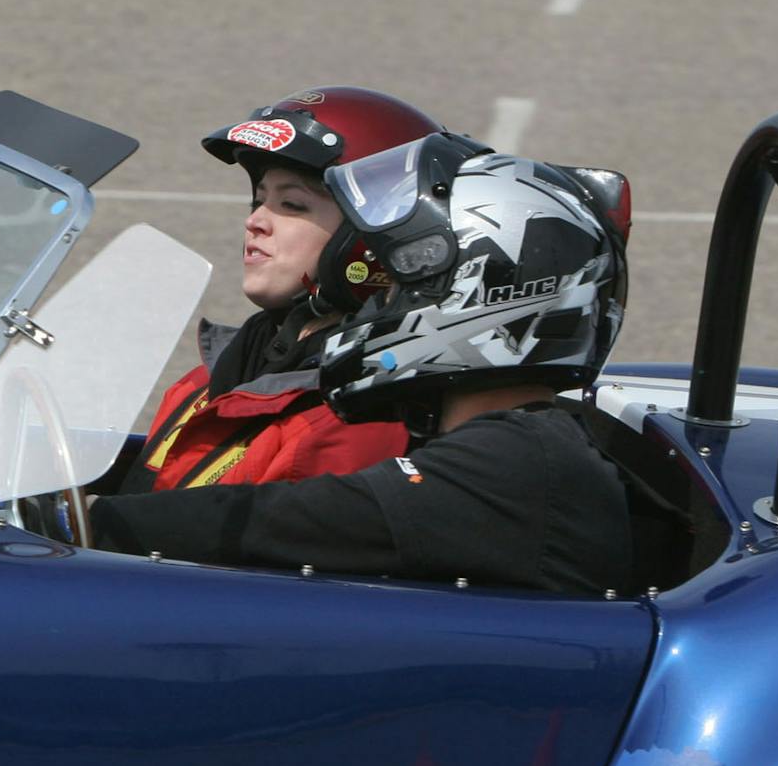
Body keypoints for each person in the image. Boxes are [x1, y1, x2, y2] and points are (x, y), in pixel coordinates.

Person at [93, 137, 644, 596]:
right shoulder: (505, 445)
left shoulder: (512, 465)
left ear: (488, 295)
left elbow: (280, 517)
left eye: (405, 286)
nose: (378, 307)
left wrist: (80, 527)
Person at [118, 88, 442, 493]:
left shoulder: (349, 425)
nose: (255, 221)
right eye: (259, 200)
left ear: (372, 236)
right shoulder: (211, 380)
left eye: (292, 205)